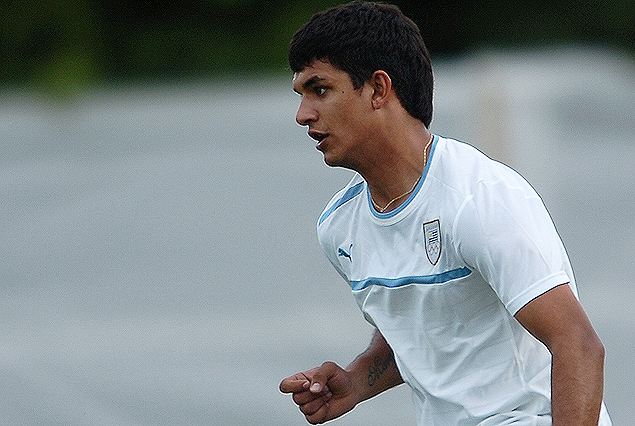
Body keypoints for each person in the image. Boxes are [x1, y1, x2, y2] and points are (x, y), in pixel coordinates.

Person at [278, 2, 612, 425]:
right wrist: (356, 381)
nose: (303, 114)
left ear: (378, 89)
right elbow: (429, 331)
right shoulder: (339, 227)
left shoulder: (479, 199)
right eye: (301, 94)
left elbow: (578, 345)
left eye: (320, 89)